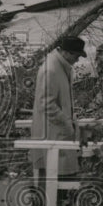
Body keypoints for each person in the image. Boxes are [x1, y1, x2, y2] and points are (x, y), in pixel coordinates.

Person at [30, 36, 85, 177]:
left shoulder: (59, 67)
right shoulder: (52, 70)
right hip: (53, 133)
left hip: (57, 132)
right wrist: (66, 123)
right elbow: (46, 104)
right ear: (67, 53)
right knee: (56, 177)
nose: (77, 60)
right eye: (77, 56)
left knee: (60, 176)